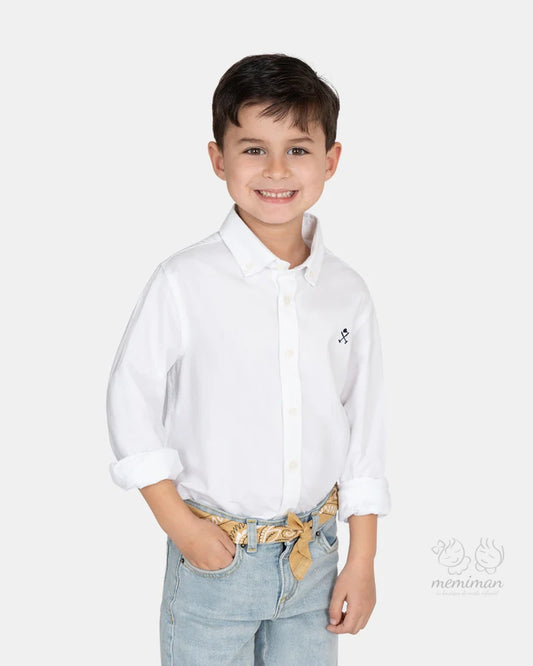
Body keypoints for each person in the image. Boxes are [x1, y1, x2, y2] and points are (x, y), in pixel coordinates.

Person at [106, 52, 392, 665]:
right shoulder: (184, 281)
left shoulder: (347, 292)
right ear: (219, 159)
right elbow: (130, 400)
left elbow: (363, 427)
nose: (277, 170)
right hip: (216, 559)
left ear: (331, 160)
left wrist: (362, 558)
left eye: (298, 148)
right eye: (254, 148)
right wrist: (182, 527)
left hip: (314, 559)